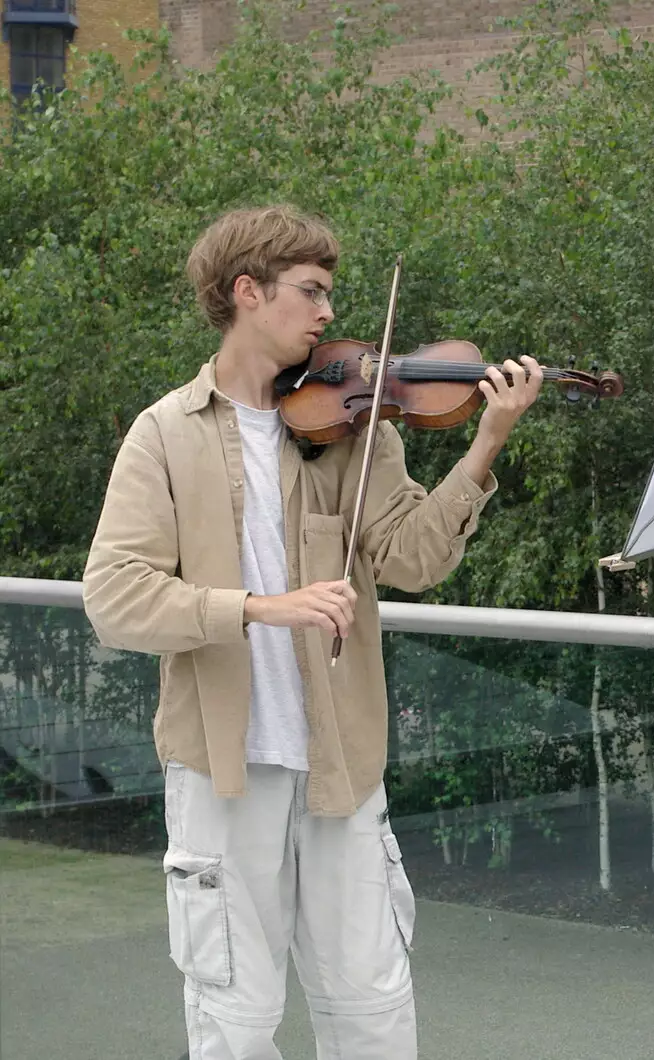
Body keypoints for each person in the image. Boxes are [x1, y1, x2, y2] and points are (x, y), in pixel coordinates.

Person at [82, 204, 543, 1060]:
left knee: (370, 1010)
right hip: (225, 773)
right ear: (247, 293)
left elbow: (411, 558)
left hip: (342, 762)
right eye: (312, 291)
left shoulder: (353, 427)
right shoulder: (162, 436)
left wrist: (486, 441)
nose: (331, 314)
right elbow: (113, 596)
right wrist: (257, 607)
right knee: (237, 1020)